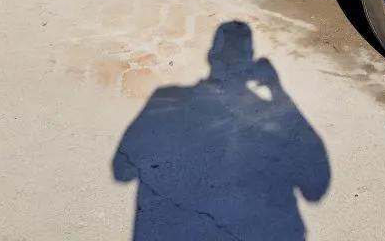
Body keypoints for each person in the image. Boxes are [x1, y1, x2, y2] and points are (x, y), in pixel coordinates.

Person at [113, 21, 330, 240]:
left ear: (210, 56)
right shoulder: (269, 117)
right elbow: (315, 188)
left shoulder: (165, 97)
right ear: (250, 64)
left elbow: (121, 171)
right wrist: (277, 89)